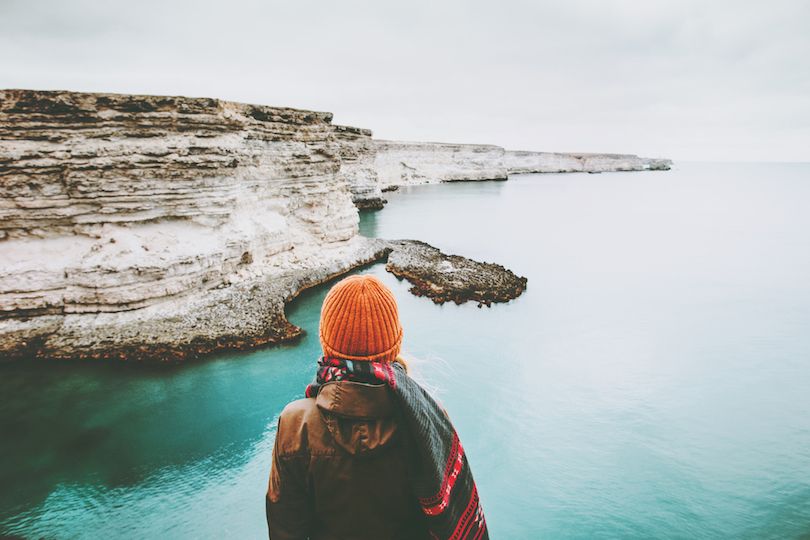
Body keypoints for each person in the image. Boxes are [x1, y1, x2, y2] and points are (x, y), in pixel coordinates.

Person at [266, 274, 488, 540]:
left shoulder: (296, 424)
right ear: (395, 344)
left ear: (326, 343)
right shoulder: (428, 418)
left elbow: (285, 530)